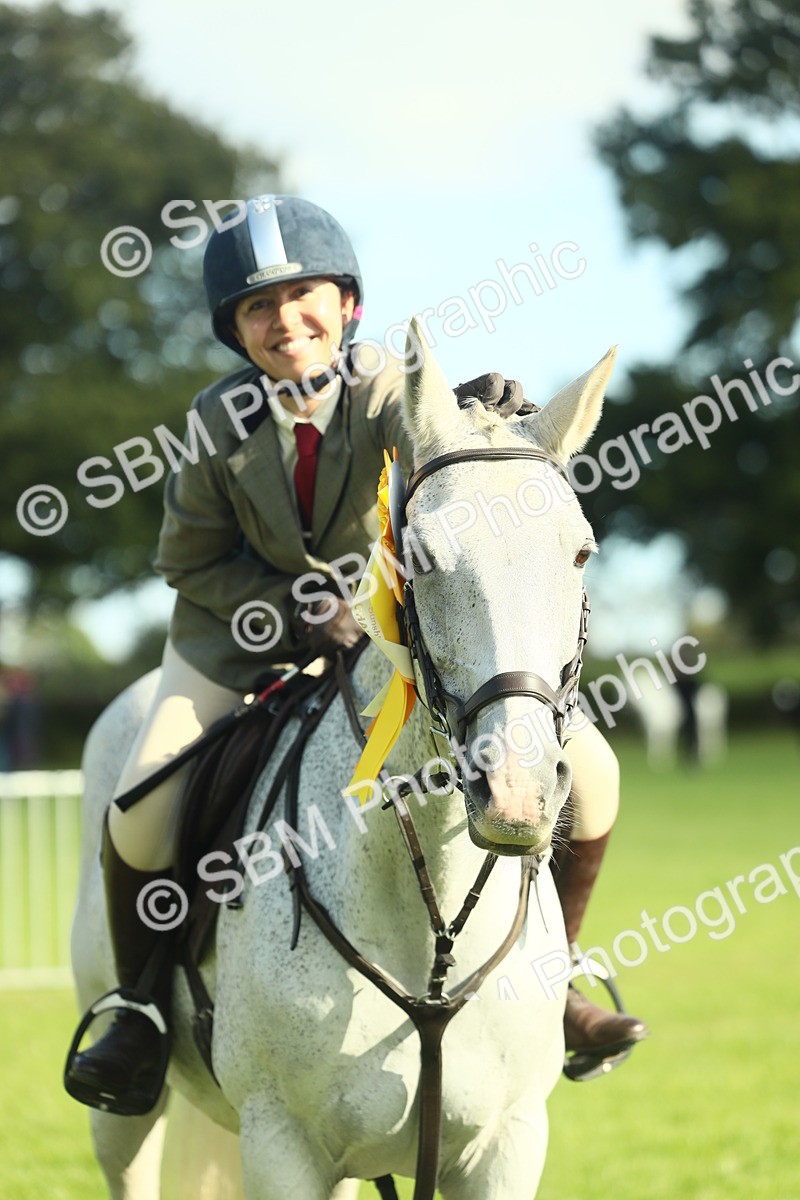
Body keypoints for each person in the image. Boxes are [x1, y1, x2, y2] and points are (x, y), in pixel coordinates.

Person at [66, 194, 646, 1114]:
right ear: (236, 330)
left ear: (347, 306)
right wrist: (292, 610)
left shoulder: (387, 391)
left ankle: (559, 981)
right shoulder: (214, 425)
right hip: (231, 646)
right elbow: (188, 564)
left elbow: (449, 461)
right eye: (259, 308)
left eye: (304, 297)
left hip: (381, 642)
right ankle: (138, 1008)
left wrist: (492, 411)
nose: (284, 321)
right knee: (142, 803)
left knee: (597, 773)